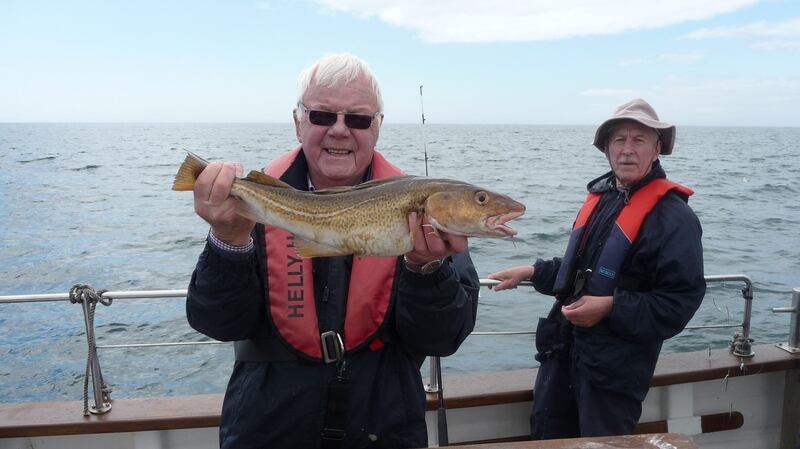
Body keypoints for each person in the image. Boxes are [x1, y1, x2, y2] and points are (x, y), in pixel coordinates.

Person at [185, 53, 479, 449]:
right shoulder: (255, 204)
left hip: (384, 426)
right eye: (323, 115)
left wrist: (427, 270)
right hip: (267, 426)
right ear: (297, 121)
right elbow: (217, 324)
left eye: (358, 119)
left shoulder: (426, 211)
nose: (340, 130)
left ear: (378, 128)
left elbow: (444, 339)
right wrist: (229, 242)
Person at [489, 98, 705, 439]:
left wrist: (611, 308)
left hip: (613, 376)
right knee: (547, 439)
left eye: (639, 140)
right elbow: (580, 273)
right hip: (562, 356)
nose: (627, 150)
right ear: (606, 149)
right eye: (619, 140)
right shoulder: (602, 200)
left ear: (657, 148)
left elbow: (680, 301)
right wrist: (532, 272)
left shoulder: (676, 219)